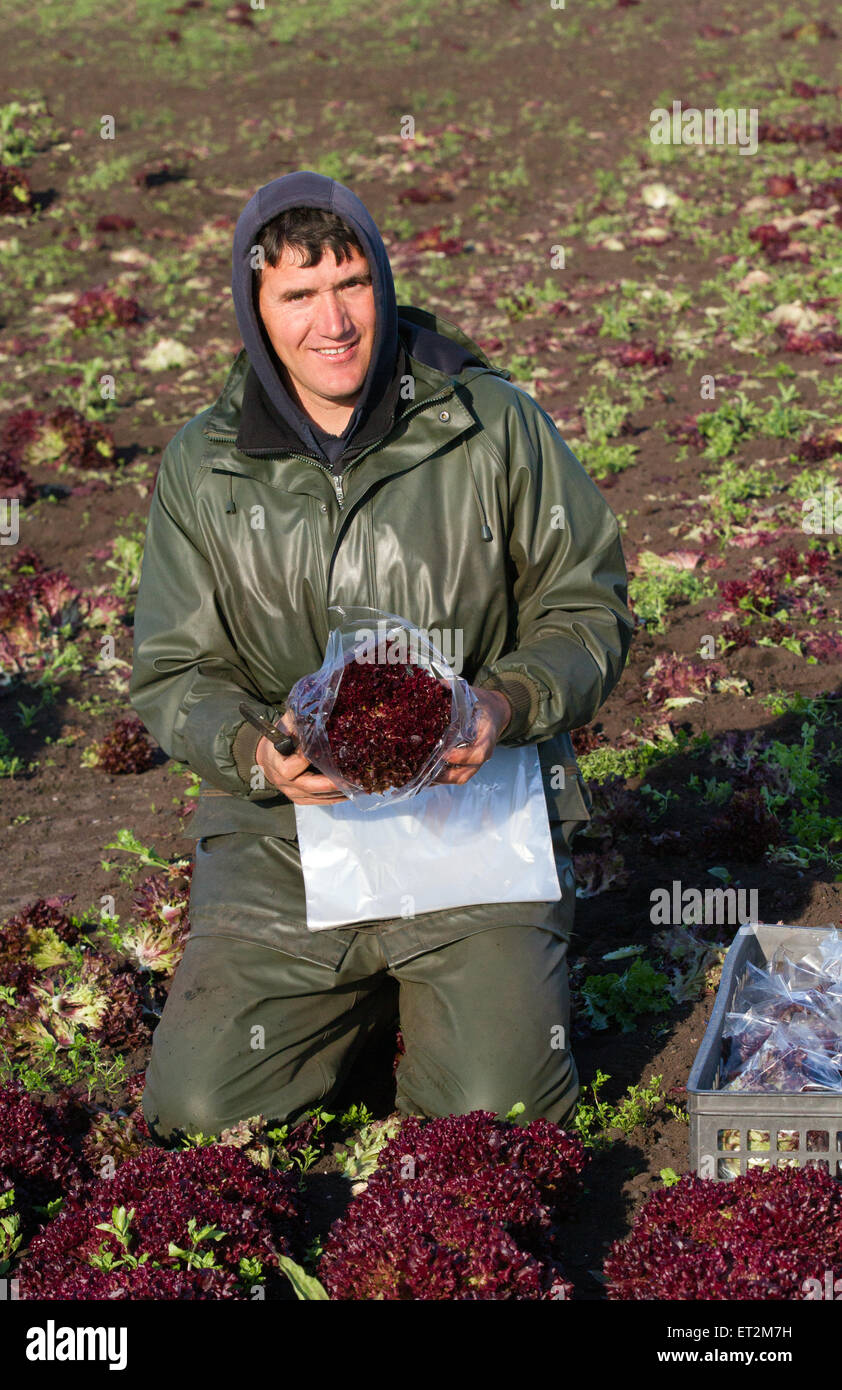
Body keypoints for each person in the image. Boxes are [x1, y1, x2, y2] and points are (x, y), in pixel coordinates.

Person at [129, 170, 634, 1144]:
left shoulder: (489, 426)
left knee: (500, 1116)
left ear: (385, 281)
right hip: (286, 846)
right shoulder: (204, 465)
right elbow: (172, 671)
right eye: (296, 294)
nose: (333, 321)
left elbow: (585, 604)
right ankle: (355, 1002)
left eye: (351, 282)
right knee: (200, 1112)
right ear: (255, 309)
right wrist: (253, 756)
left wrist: (504, 702)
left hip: (468, 816)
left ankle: (457, 988)